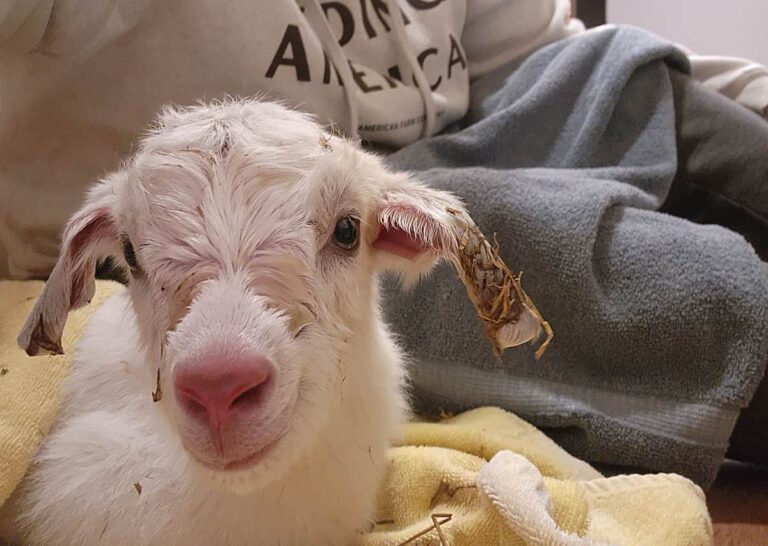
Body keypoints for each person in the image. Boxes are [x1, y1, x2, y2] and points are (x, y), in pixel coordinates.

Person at [1, 0, 766, 486]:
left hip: (436, 146)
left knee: (622, 79)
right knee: (521, 232)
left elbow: (533, 50)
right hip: (291, 245)